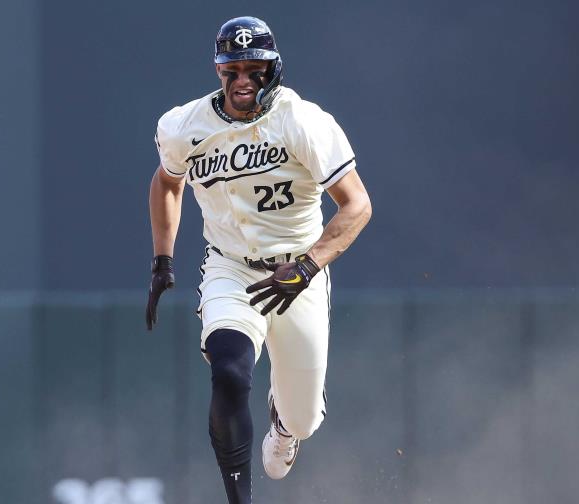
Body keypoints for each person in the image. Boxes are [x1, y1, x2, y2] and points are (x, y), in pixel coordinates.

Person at [145, 16, 372, 504]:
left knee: (304, 418)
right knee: (229, 372)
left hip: (300, 268)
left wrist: (309, 267)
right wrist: (162, 258)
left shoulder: (303, 121)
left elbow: (357, 205)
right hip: (230, 265)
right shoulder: (185, 125)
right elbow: (168, 181)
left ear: (275, 68)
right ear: (217, 69)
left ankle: (284, 425)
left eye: (256, 68)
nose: (244, 80)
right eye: (233, 69)